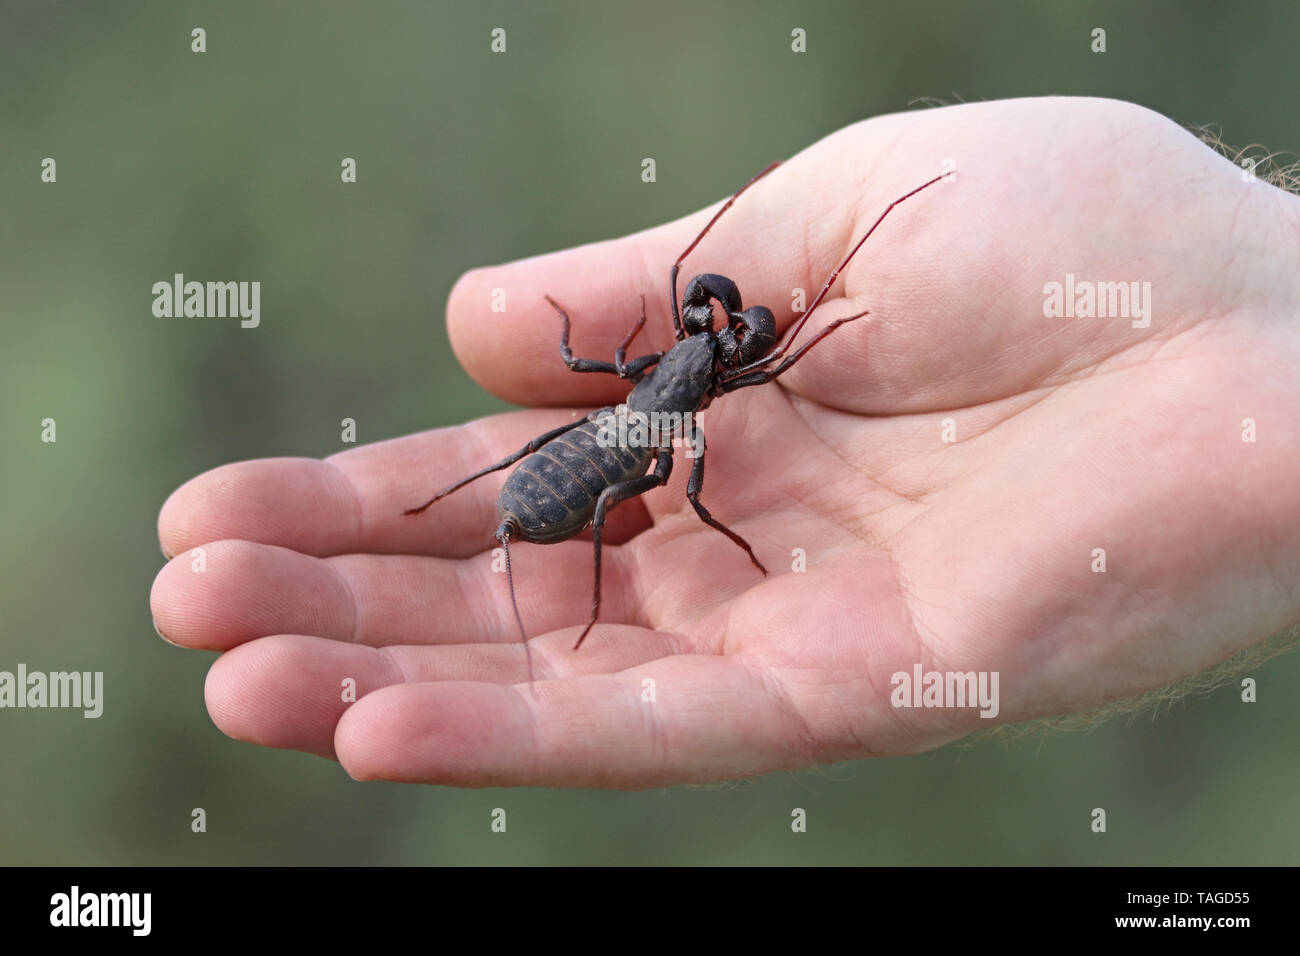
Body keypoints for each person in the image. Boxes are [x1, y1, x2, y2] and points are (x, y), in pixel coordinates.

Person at [150, 97, 1300, 788]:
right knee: (588, 474)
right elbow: (726, 377)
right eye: (721, 327)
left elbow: (725, 363)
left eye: (724, 330)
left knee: (595, 469)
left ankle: (532, 544)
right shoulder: (706, 370)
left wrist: (831, 311)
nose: (725, 332)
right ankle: (500, 528)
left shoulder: (694, 364)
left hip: (620, 430)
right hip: (615, 439)